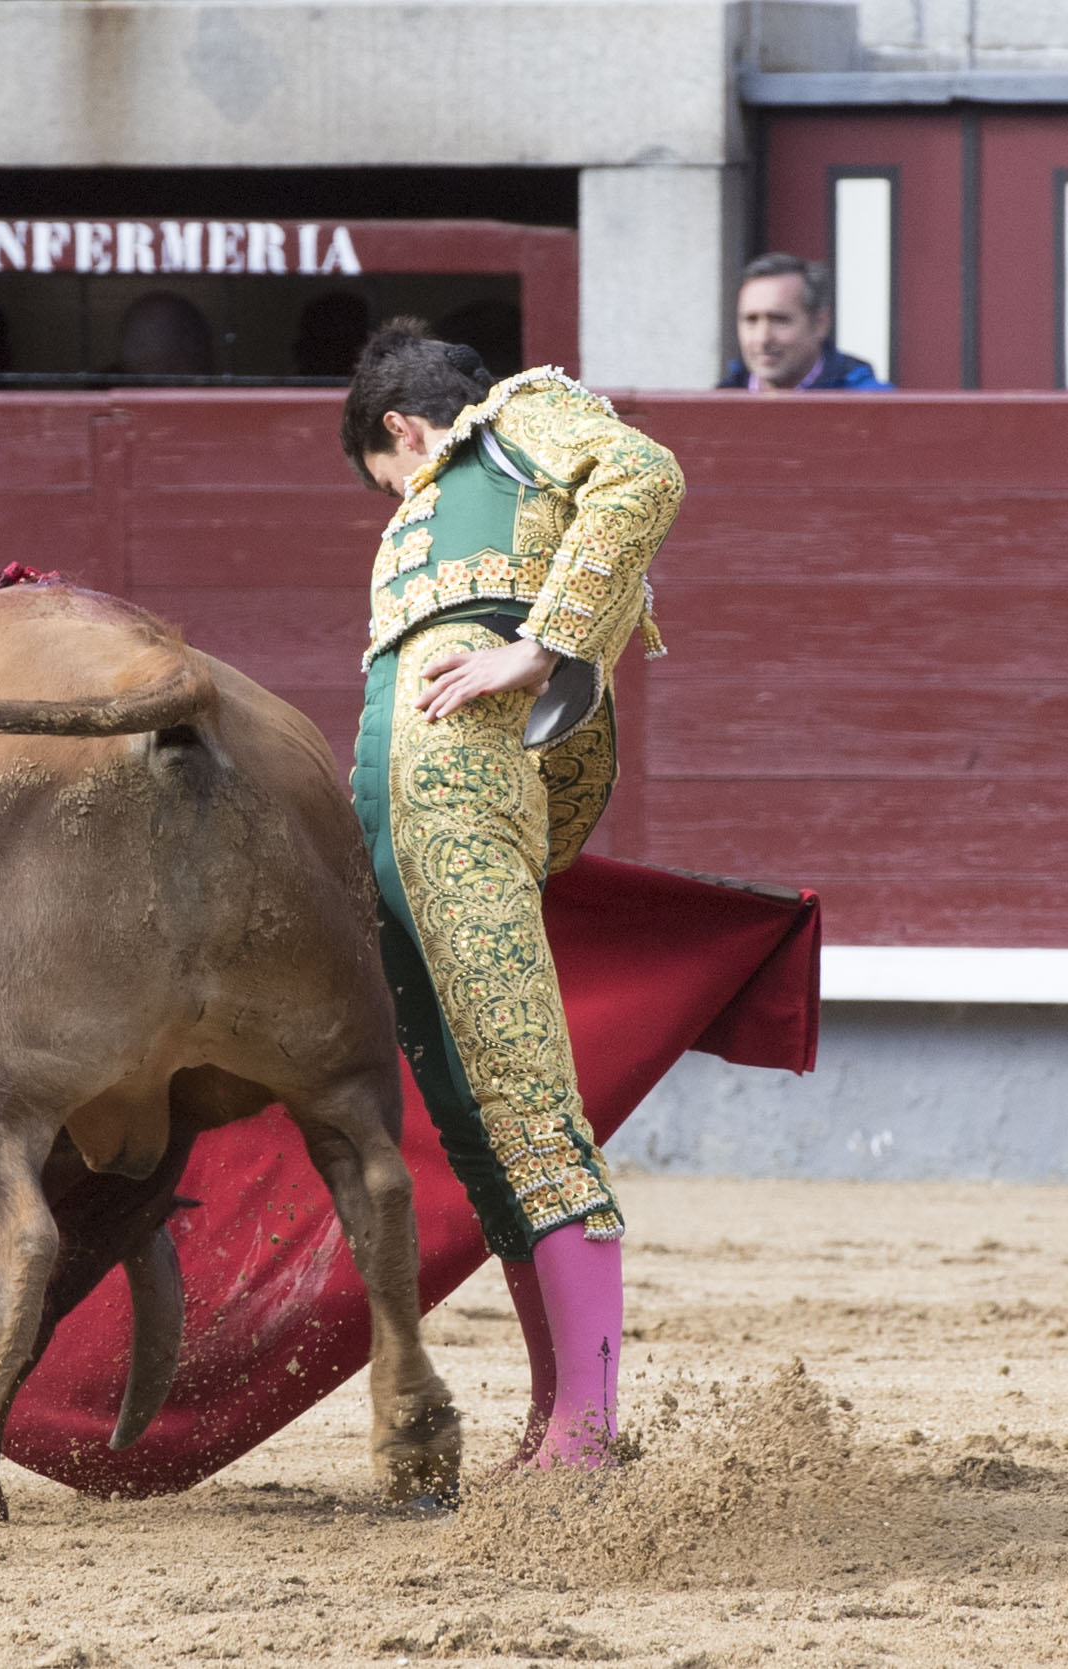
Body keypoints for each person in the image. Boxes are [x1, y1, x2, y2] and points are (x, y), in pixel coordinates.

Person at [340, 319, 683, 1473]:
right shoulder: (451, 512)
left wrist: (538, 649)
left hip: (463, 802)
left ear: (402, 431)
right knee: (479, 1131)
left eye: (384, 481)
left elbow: (643, 472)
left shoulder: (509, 422)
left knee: (528, 1106)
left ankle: (588, 1433)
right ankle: (555, 1420)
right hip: (393, 828)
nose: (392, 503)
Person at [720, 253, 893, 391]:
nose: (762, 339)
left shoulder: (874, 410)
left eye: (779, 320)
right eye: (751, 320)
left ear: (820, 324)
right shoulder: (715, 412)